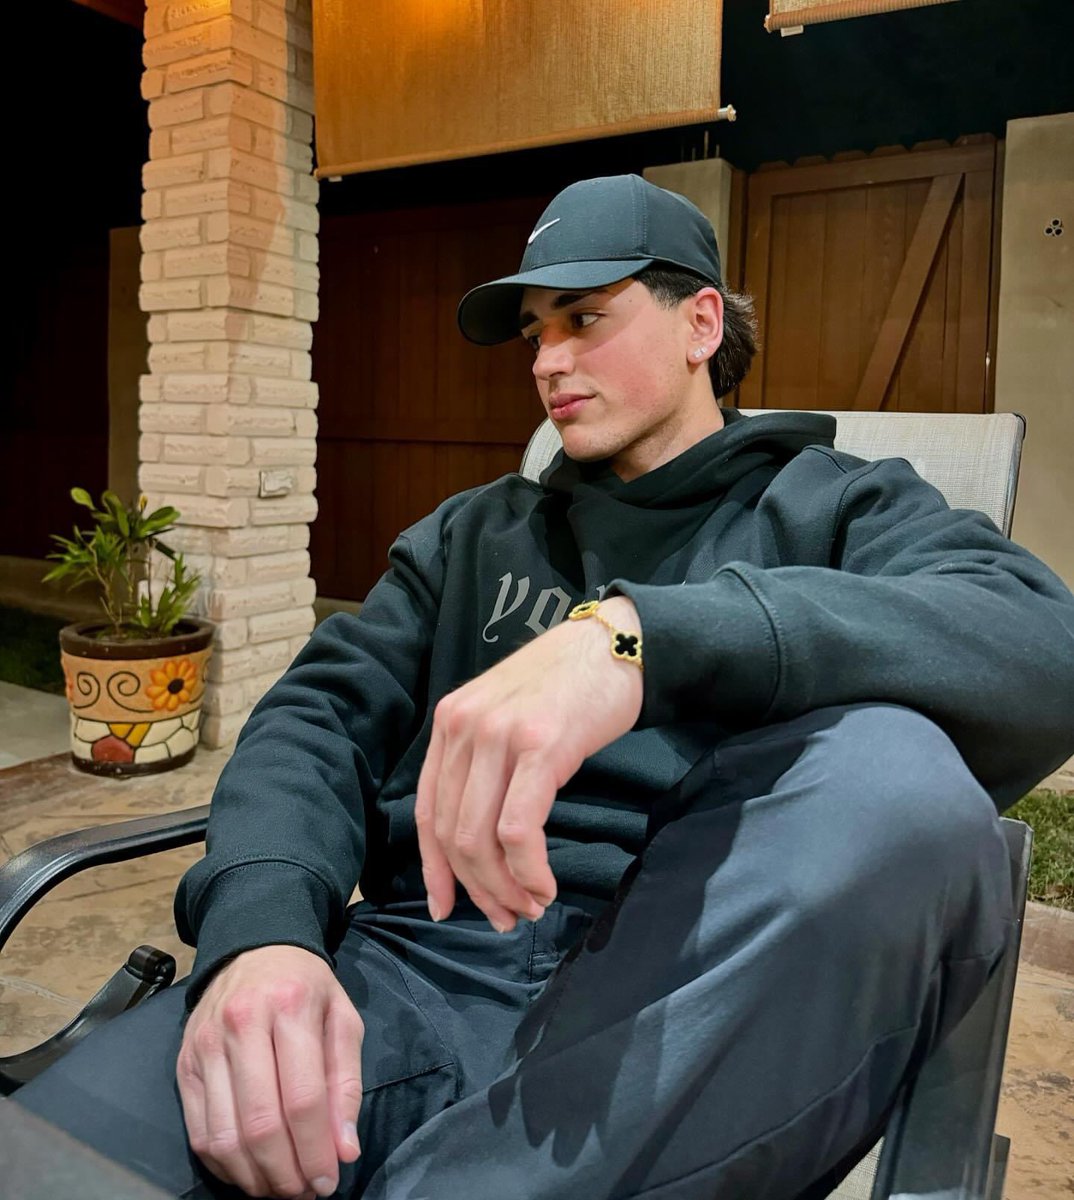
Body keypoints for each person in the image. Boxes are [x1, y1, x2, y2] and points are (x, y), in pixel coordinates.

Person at [15, 174, 1074, 1200]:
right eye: (535, 334)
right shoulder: (475, 534)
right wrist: (263, 934)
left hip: (692, 996)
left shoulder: (840, 509)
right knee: (55, 1163)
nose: (549, 361)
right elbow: (313, 720)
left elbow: (1042, 641)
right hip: (412, 968)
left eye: (585, 319)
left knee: (900, 778)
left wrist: (636, 640)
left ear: (701, 323)